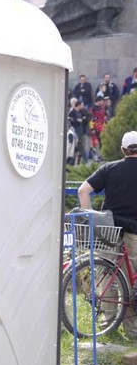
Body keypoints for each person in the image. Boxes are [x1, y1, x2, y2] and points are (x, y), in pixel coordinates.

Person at [78, 130, 137, 339]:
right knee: (131, 280)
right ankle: (132, 331)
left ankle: (107, 325)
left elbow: (83, 190)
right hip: (134, 231)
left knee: (107, 273)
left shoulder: (110, 168)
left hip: (108, 229)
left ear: (123, 149)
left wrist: (90, 217)